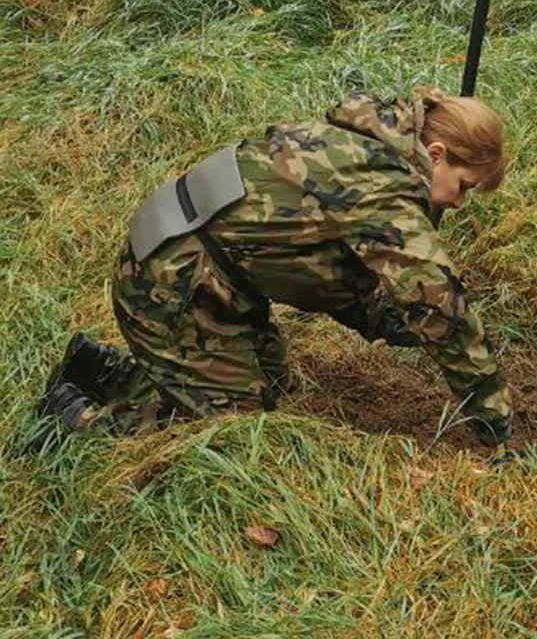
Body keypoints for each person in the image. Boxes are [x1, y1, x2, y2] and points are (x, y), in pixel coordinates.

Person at [38, 87, 513, 447]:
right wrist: (492, 415)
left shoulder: (368, 148)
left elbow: (331, 271)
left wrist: (393, 321)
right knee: (234, 432)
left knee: (271, 383)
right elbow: (440, 310)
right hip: (171, 287)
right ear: (436, 155)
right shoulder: (382, 190)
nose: (459, 202)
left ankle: (102, 371)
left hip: (201, 270)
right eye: (464, 186)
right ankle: (70, 421)